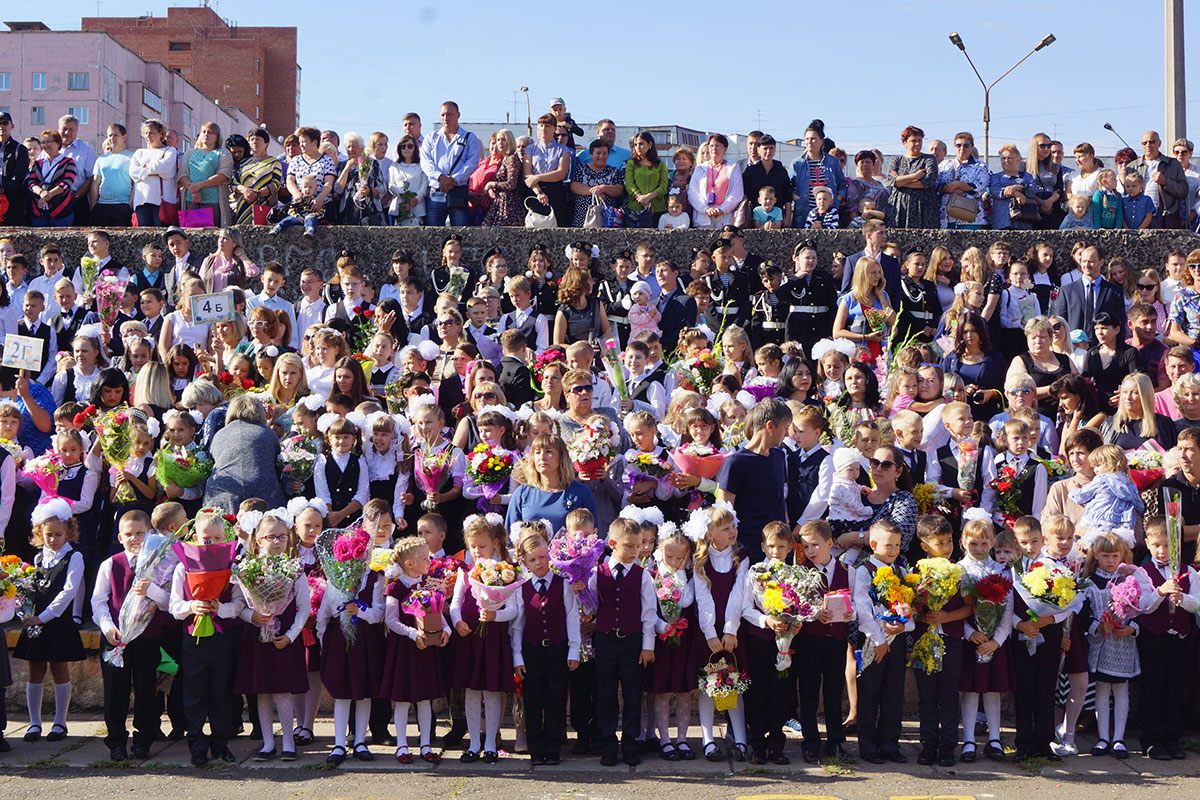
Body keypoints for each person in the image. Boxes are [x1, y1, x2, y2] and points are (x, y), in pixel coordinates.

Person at [852, 519, 913, 764]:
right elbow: (863, 608)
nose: (893, 550)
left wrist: (903, 625)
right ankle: (868, 746)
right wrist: (879, 639)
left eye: (897, 545)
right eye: (888, 545)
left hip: (896, 640)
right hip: (872, 642)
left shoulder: (901, 570)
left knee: (893, 693)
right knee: (869, 692)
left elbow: (910, 606)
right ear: (874, 544)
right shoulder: (863, 569)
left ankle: (890, 743)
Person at [203, 394, 286, 511]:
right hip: (263, 492)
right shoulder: (267, 433)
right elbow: (277, 463)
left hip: (223, 493)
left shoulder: (220, 434)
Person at [420, 101, 482, 227]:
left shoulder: (469, 138)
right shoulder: (431, 137)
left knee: (460, 232)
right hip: (436, 192)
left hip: (458, 191)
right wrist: (440, 177)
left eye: (449, 114)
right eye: (442, 115)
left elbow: (472, 163)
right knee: (433, 234)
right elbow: (426, 162)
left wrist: (453, 180)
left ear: (458, 115)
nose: (445, 118)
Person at [1051, 244, 1126, 345]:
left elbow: (1120, 321)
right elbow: (1060, 322)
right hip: (1074, 348)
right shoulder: (1067, 291)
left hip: (1104, 347)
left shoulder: (1114, 291)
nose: (1086, 265)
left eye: (1091, 261)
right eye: (1083, 261)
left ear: (1101, 262)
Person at [1128, 130, 1189, 227]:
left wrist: (1166, 182)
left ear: (1159, 143)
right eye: (1144, 143)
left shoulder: (1173, 164)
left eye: (1152, 142)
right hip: (1139, 219)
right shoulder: (1132, 167)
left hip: (1164, 219)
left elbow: (1184, 191)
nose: (1148, 145)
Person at [790, 124, 846, 228]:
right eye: (807, 139)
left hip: (828, 214)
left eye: (813, 139)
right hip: (804, 213)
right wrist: (798, 200)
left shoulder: (832, 162)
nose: (809, 142)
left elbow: (842, 184)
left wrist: (837, 200)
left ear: (821, 141)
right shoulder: (797, 163)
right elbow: (789, 187)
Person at [885, 125, 939, 229]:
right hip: (899, 207)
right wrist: (916, 176)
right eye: (913, 141)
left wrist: (902, 182)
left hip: (924, 208)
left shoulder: (929, 159)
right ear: (905, 142)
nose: (918, 143)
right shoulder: (896, 160)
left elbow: (928, 181)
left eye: (920, 140)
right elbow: (892, 181)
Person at [128, 119, 179, 228]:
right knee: (144, 236)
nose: (148, 136)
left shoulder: (170, 150)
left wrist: (145, 168)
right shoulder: (139, 153)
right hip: (141, 201)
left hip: (162, 202)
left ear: (160, 134)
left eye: (151, 133)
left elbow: (166, 170)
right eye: (146, 133)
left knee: (161, 234)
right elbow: (133, 171)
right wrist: (154, 171)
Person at [180, 122, 232, 226]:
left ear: (217, 137)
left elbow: (223, 175)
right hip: (191, 199)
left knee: (212, 233)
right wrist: (193, 190)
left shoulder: (223, 153)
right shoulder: (190, 153)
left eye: (210, 132)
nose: (206, 134)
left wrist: (199, 185)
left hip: (213, 201)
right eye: (204, 132)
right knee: (191, 233)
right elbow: (182, 174)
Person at [229, 127, 282, 226]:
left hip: (265, 205)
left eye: (258, 139)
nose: (254, 142)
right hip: (243, 206)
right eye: (252, 139)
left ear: (266, 143)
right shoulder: (243, 163)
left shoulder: (274, 162)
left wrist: (258, 194)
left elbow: (276, 184)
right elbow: (234, 183)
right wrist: (245, 190)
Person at [688, 134, 743, 229]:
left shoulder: (733, 167)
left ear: (725, 149)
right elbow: (693, 192)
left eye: (718, 146)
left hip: (724, 219)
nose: (714, 149)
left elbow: (737, 193)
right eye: (711, 146)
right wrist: (705, 209)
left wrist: (722, 209)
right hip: (703, 217)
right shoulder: (700, 168)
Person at [937, 131, 989, 229]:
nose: (962, 149)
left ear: (972, 147)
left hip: (971, 219)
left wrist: (958, 184)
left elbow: (980, 188)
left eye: (966, 146)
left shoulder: (980, 166)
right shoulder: (944, 165)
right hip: (946, 219)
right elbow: (936, 187)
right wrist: (949, 189)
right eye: (958, 145)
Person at [25, 130, 77, 227]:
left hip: (61, 210)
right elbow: (32, 182)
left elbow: (67, 183)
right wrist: (41, 193)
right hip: (39, 209)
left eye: (49, 141)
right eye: (43, 142)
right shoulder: (38, 163)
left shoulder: (68, 162)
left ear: (58, 143)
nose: (46, 145)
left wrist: (48, 195)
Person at [570, 140, 625, 227]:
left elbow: (619, 190)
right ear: (591, 154)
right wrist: (595, 192)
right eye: (598, 153)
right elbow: (574, 186)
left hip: (607, 221)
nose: (601, 156)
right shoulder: (581, 168)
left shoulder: (613, 171)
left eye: (604, 153)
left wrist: (604, 188)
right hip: (583, 220)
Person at [741, 134, 793, 227]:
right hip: (755, 220)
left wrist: (788, 218)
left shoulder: (781, 170)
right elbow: (744, 195)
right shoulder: (750, 171)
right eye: (765, 148)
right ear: (759, 150)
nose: (768, 151)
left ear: (775, 150)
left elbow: (788, 197)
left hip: (777, 219)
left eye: (771, 148)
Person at [89, 123, 134, 227]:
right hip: (102, 206)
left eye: (115, 135)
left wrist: (129, 205)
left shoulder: (132, 157)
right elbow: (95, 184)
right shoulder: (101, 159)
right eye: (110, 135)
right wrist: (94, 206)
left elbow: (135, 184)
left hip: (122, 205)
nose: (112, 138)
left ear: (124, 137)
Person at [58, 114, 96, 226]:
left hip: (77, 200)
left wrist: (76, 196)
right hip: (54, 201)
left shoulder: (86, 150)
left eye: (71, 129)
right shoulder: (50, 148)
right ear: (59, 129)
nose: (67, 133)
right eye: (64, 129)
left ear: (77, 130)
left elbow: (91, 177)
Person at [624, 132, 668, 228]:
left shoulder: (660, 165)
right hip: (636, 209)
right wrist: (641, 198)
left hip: (656, 208)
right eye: (635, 145)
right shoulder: (631, 164)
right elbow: (629, 185)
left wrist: (649, 197)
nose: (638, 147)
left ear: (650, 144)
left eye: (641, 144)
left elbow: (663, 186)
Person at [481, 129, 523, 227]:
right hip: (499, 204)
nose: (500, 143)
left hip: (509, 206)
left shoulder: (511, 159)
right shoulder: (503, 160)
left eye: (503, 139)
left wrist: (491, 184)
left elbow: (511, 183)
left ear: (510, 141)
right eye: (498, 140)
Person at [989, 143, 1036, 230]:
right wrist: (1015, 193)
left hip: (1023, 221)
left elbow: (1032, 190)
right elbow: (995, 191)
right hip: (1001, 222)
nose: (1006, 161)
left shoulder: (1027, 176)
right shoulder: (995, 177)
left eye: (1010, 158)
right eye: (1003, 158)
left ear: (1018, 160)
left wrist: (1017, 187)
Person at [1027, 133, 1068, 230]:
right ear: (1034, 147)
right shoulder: (1024, 165)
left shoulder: (1056, 167)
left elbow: (1059, 189)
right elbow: (1024, 187)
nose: (1046, 149)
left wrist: (1049, 202)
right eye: (1042, 146)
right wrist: (1041, 203)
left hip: (1052, 207)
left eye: (1049, 146)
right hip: (1032, 207)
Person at [387, 135, 428, 226]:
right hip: (398, 209)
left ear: (415, 148)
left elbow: (424, 186)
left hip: (417, 209)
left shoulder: (422, 166)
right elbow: (391, 185)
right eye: (403, 146)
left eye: (410, 146)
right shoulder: (394, 166)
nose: (406, 149)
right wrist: (404, 196)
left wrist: (415, 199)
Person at [0, 111, 28, 226]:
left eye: (5, 123)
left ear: (12, 126)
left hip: (13, 200)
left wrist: (3, 189)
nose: (1, 126)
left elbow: (19, 174)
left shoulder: (20, 149)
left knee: (12, 235)